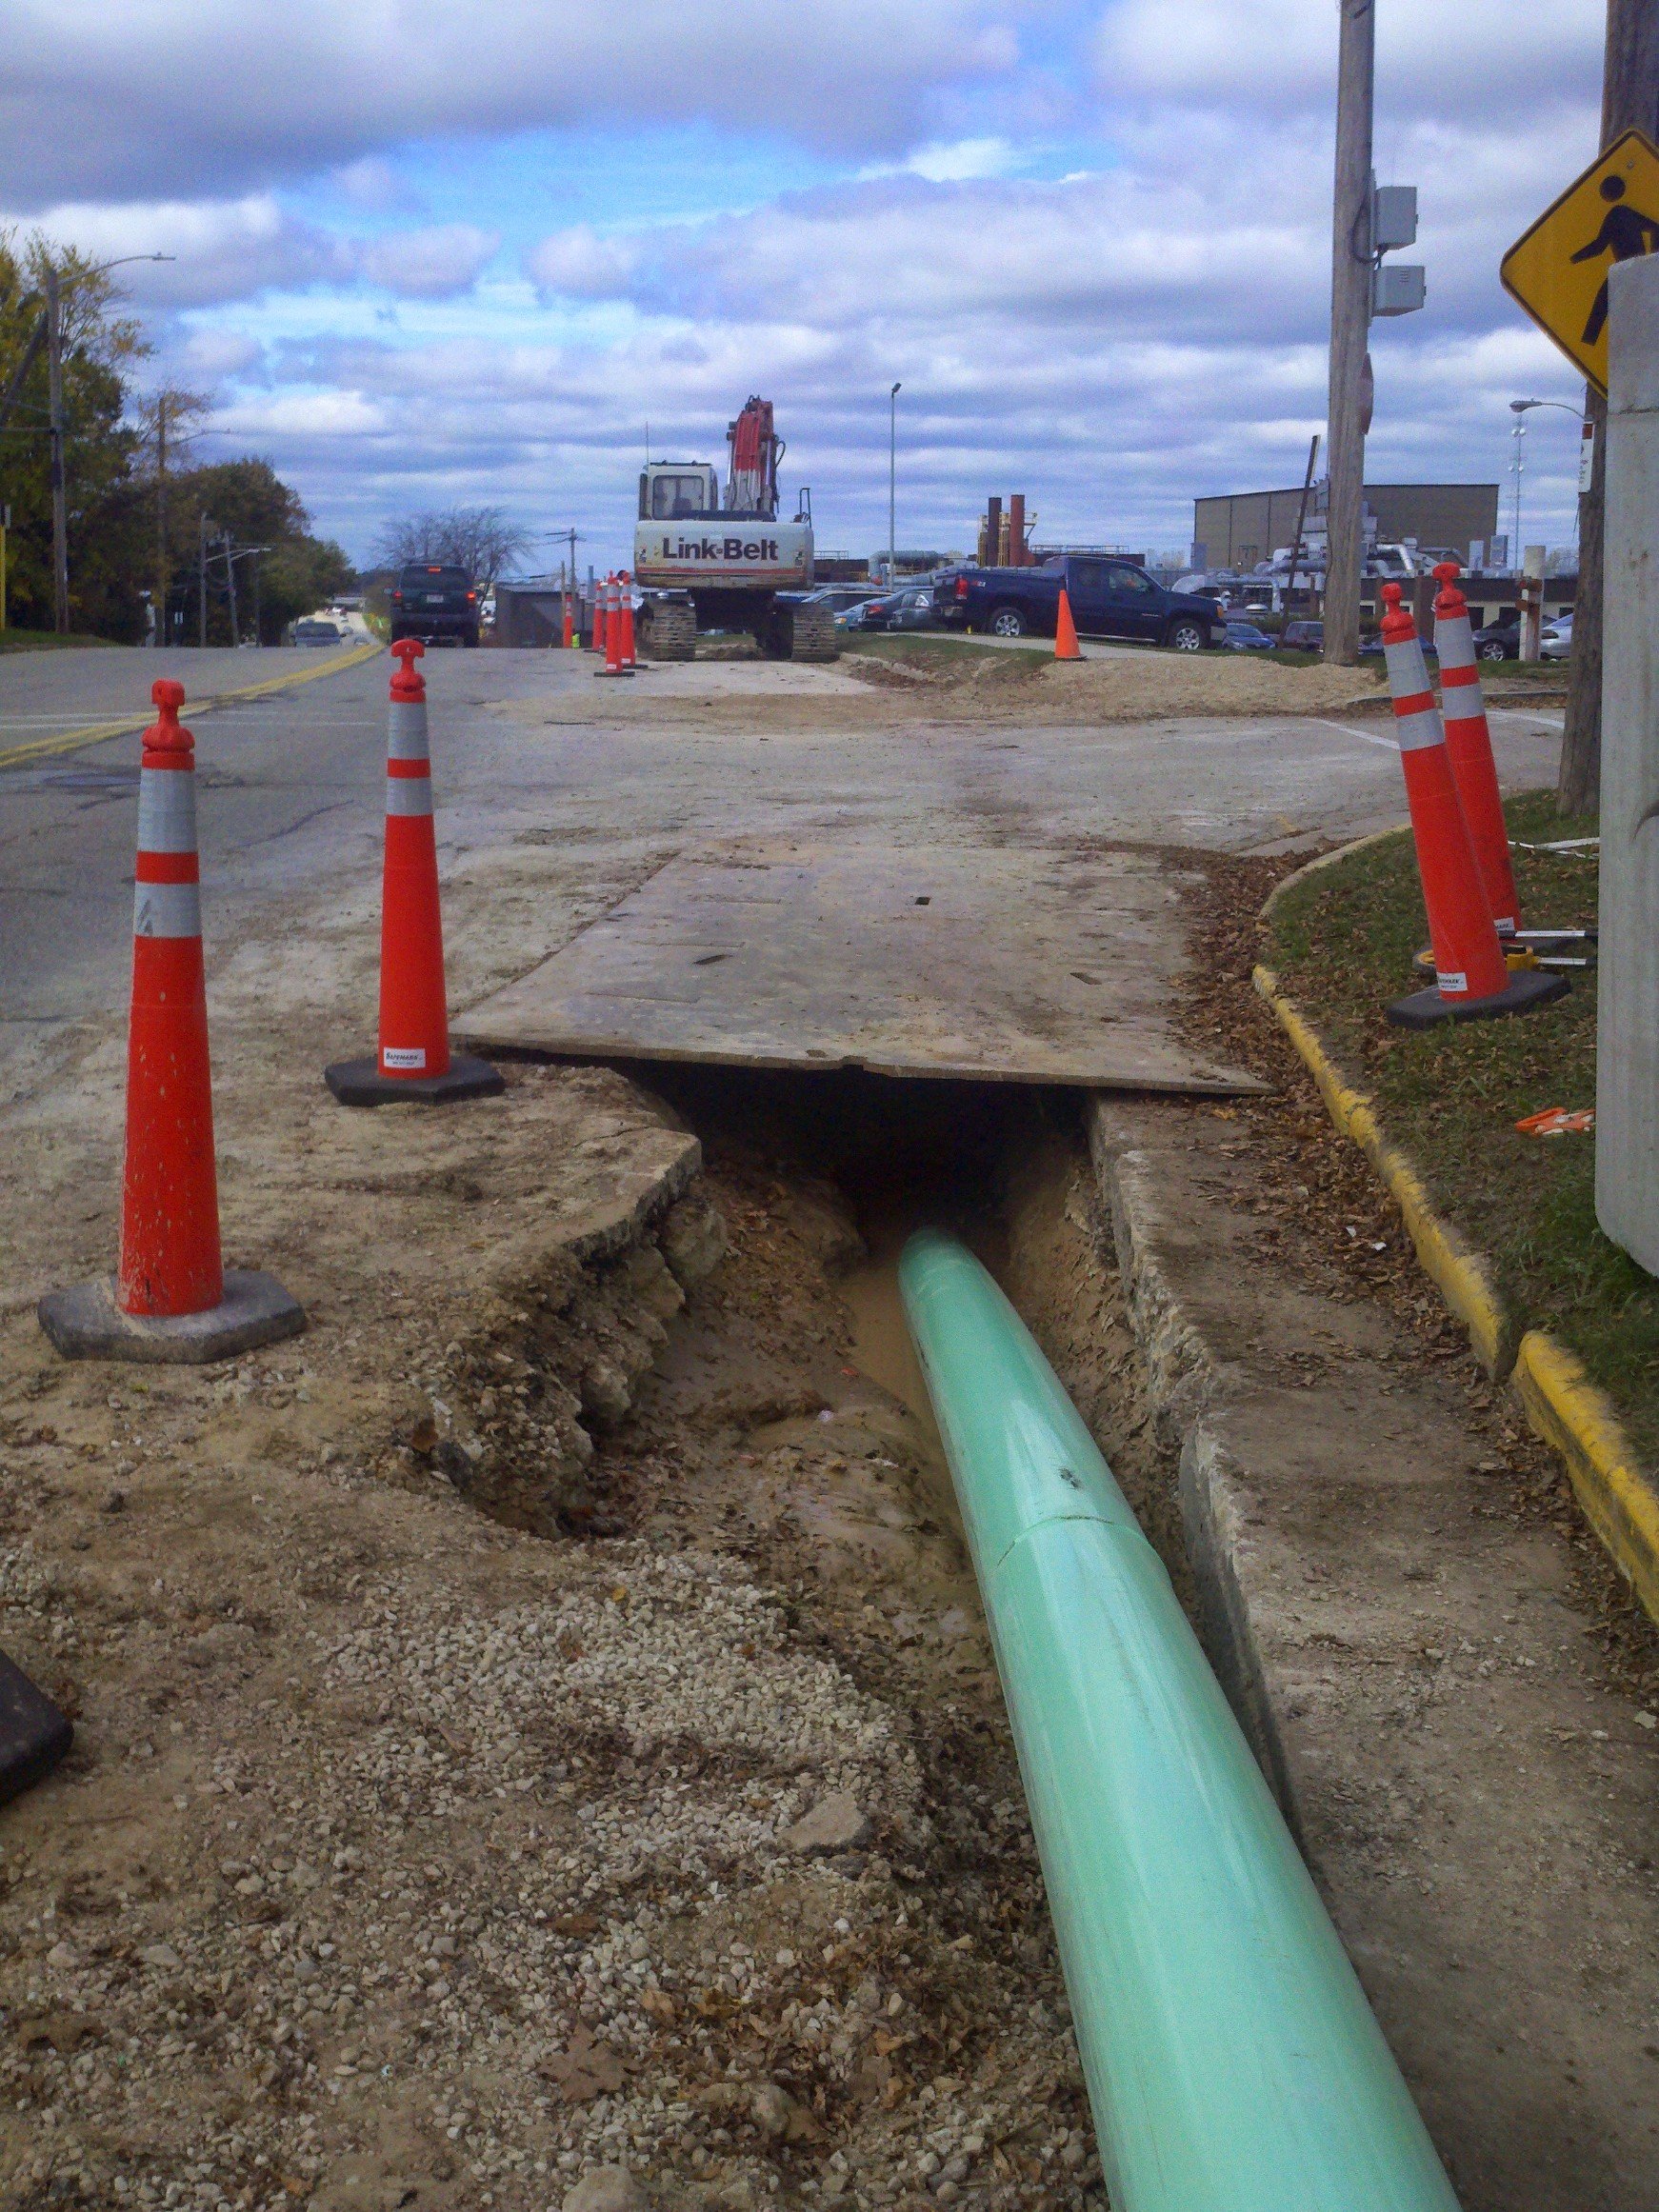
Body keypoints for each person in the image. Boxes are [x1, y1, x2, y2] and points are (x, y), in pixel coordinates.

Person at [1570, 173, 1659, 347]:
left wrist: (1574, 259)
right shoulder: (1625, 212)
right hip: (1637, 268)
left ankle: (1588, 341)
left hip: (1626, 269)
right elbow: (1656, 228)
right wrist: (1652, 260)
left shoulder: (1615, 215)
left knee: (1603, 300)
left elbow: (1599, 247)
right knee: (1615, 301)